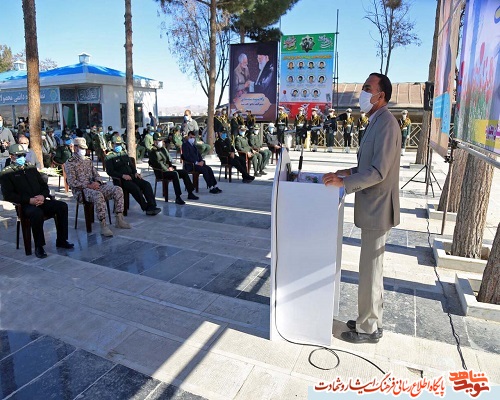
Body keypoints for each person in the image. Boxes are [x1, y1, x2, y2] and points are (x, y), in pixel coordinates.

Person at [322, 72, 401, 344]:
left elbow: (378, 171)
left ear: (381, 95)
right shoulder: (375, 121)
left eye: (368, 88)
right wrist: (346, 172)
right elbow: (368, 166)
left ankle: (368, 328)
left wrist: (345, 183)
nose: (363, 93)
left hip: (378, 208)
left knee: (370, 271)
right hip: (372, 207)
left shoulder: (387, 124)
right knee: (371, 270)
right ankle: (371, 319)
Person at [0, 143, 74, 258]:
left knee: (62, 206)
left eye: (23, 155)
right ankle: (39, 246)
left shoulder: (30, 167)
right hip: (25, 205)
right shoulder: (6, 173)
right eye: (19, 156)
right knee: (36, 213)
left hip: (40, 200)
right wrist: (29, 200)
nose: (22, 158)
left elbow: (44, 185)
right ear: (11, 156)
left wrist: (43, 196)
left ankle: (62, 240)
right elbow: (8, 195)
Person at [65, 138, 131, 236]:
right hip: (82, 191)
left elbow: (96, 175)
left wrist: (97, 182)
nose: (83, 150)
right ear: (75, 148)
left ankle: (119, 219)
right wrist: (88, 185)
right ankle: (103, 225)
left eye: (84, 148)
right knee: (98, 195)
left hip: (95, 186)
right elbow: (71, 182)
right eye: (81, 148)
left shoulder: (87, 160)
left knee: (117, 189)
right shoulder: (70, 163)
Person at [105, 136, 161, 215]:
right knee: (135, 188)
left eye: (120, 144)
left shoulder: (124, 153)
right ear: (112, 144)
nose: (119, 146)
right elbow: (110, 172)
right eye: (117, 144)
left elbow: (131, 165)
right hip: (121, 180)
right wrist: (122, 176)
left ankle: (152, 206)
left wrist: (135, 172)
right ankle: (146, 207)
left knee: (146, 184)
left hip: (132, 176)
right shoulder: (109, 157)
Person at [149, 135, 200, 204]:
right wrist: (167, 169)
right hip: (161, 172)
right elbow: (158, 164)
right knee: (175, 174)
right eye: (159, 141)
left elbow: (168, 160)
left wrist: (171, 166)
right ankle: (178, 197)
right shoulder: (152, 152)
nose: (161, 142)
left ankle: (190, 193)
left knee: (184, 172)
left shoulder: (163, 149)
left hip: (168, 170)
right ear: (155, 142)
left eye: (161, 140)